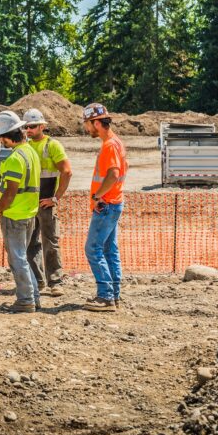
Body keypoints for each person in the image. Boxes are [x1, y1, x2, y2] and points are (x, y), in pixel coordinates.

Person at [0, 110, 41, 313]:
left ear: (7, 136)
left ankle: (26, 300)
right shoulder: (31, 152)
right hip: (30, 213)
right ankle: (33, 297)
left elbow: (10, 192)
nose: (0, 142)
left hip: (15, 214)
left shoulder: (14, 159)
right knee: (22, 257)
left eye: (0, 137)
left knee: (17, 258)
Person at [81, 103, 128, 312]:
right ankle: (113, 294)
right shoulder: (116, 142)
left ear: (97, 122)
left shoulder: (109, 145)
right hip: (114, 202)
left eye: (87, 124)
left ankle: (106, 296)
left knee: (93, 248)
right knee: (109, 249)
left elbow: (113, 174)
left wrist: (97, 195)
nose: (86, 128)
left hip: (106, 204)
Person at [22, 108, 72, 297]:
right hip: (29, 202)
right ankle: (38, 281)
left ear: (42, 126)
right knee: (30, 243)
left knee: (50, 241)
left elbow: (67, 171)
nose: (29, 130)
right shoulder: (25, 146)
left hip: (46, 200)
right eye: (26, 127)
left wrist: (55, 198)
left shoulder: (52, 145)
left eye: (33, 126)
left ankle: (55, 281)